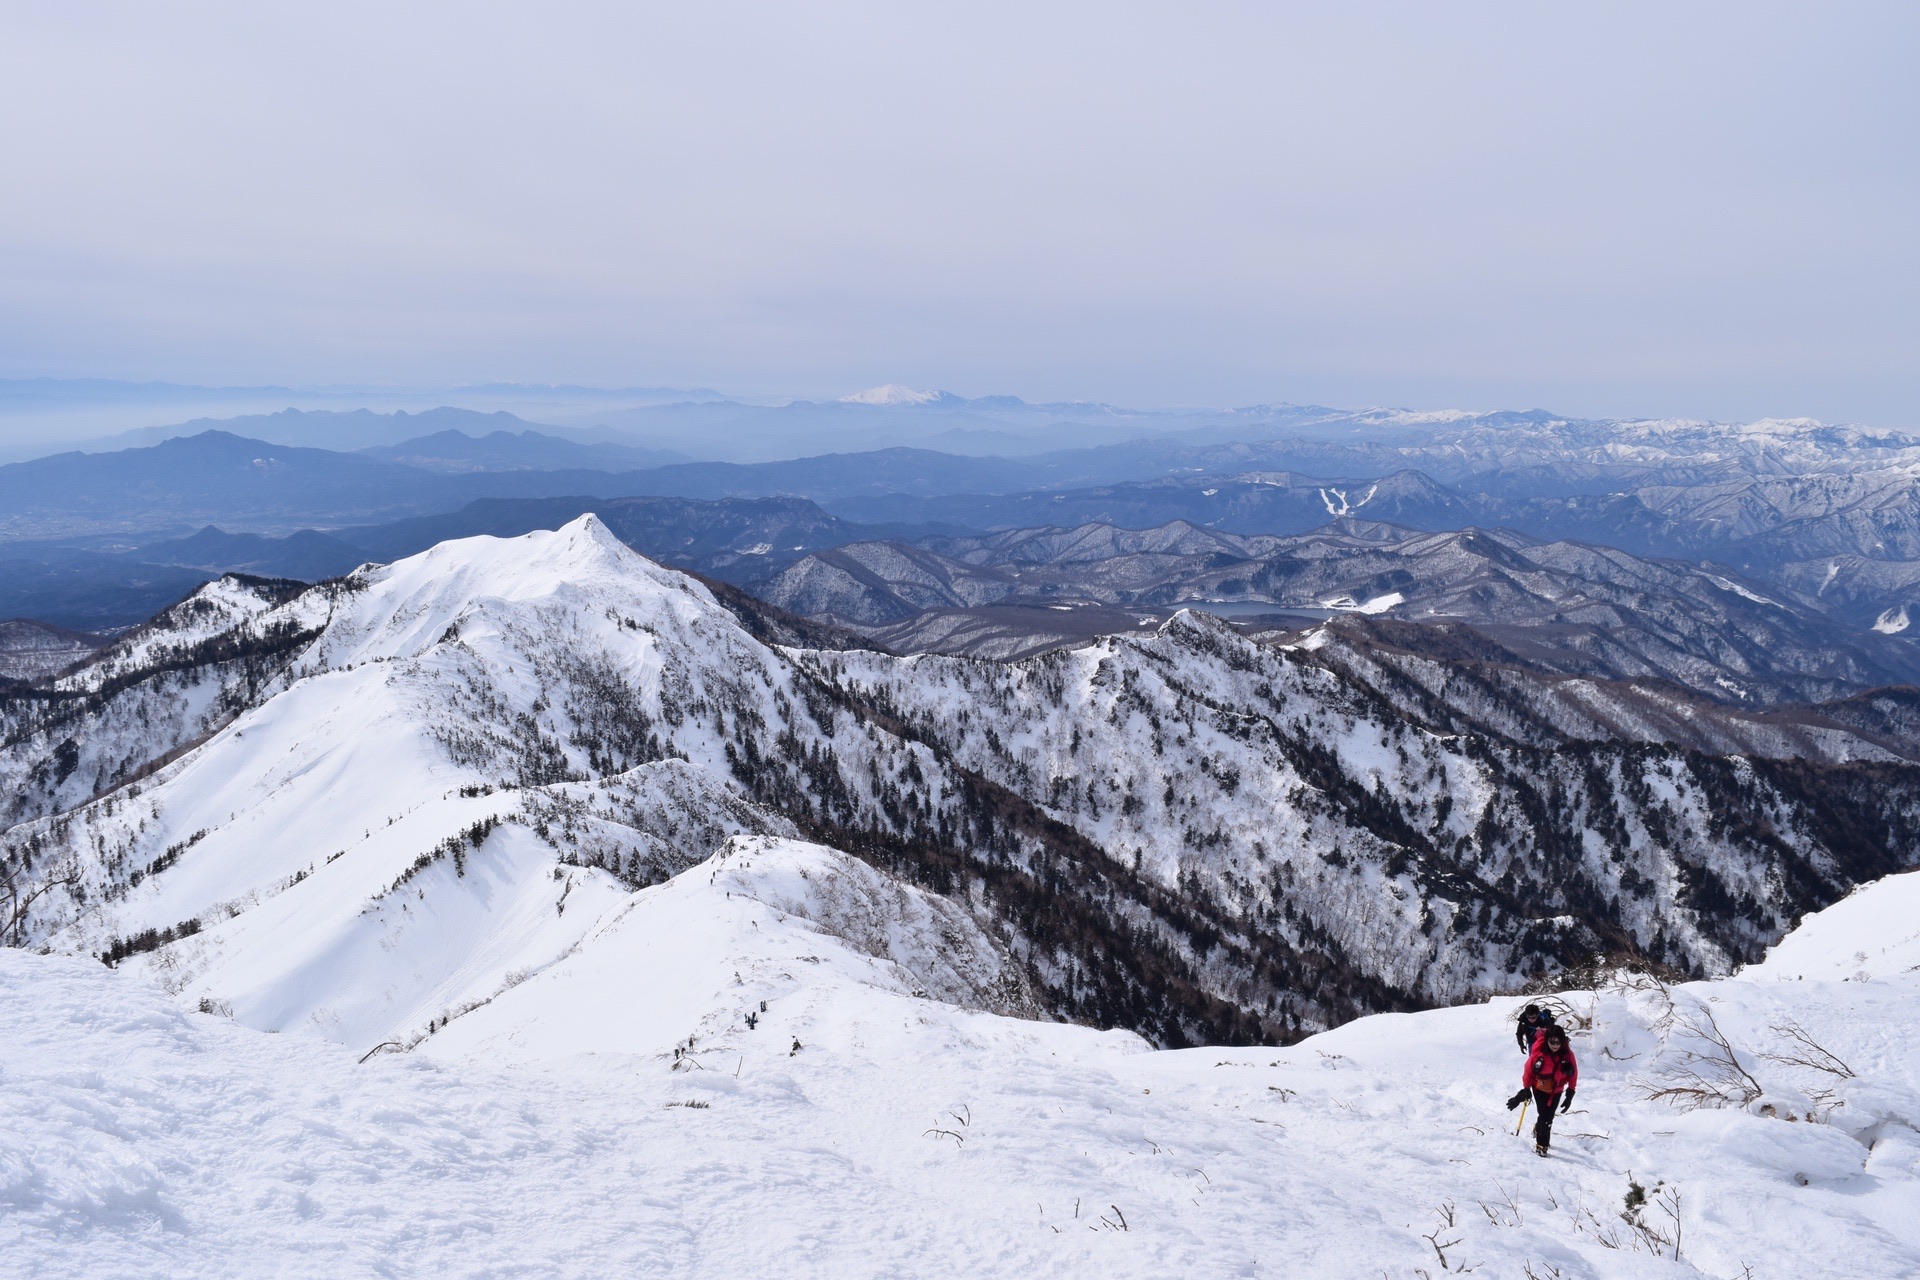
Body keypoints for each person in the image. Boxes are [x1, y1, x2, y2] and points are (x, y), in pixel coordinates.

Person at [1507, 1024, 1579, 1156]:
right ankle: (1542, 1145)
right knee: (1546, 1117)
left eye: (1558, 1042)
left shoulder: (1567, 1055)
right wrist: (1527, 1088)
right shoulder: (1539, 1053)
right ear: (1547, 1040)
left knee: (1548, 1116)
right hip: (1539, 1087)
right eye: (1552, 1041)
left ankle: (1539, 1128)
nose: (1555, 1045)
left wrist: (1570, 1092)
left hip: (1556, 1089)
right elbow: (1528, 1070)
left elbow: (1573, 1073)